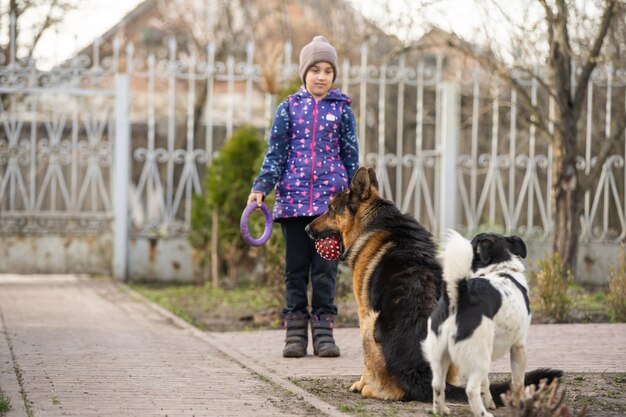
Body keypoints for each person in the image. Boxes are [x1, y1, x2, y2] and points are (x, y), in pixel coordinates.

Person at [246, 35, 359, 358]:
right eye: (315, 70)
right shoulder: (288, 109)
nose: (321, 76)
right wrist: (261, 188)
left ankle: (324, 333)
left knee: (325, 270)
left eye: (327, 70)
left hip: (330, 210)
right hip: (293, 204)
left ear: (334, 76)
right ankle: (295, 333)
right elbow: (275, 154)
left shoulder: (342, 112)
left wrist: (354, 201)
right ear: (304, 73)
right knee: (295, 269)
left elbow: (351, 158)